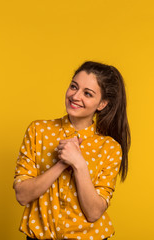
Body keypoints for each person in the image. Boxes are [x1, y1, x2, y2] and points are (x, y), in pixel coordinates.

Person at [13, 61, 130, 240]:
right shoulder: (38, 131)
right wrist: (61, 163)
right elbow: (22, 195)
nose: (75, 96)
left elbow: (93, 213)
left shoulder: (110, 148)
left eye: (87, 94)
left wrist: (79, 164)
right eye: (73, 87)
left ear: (102, 104)